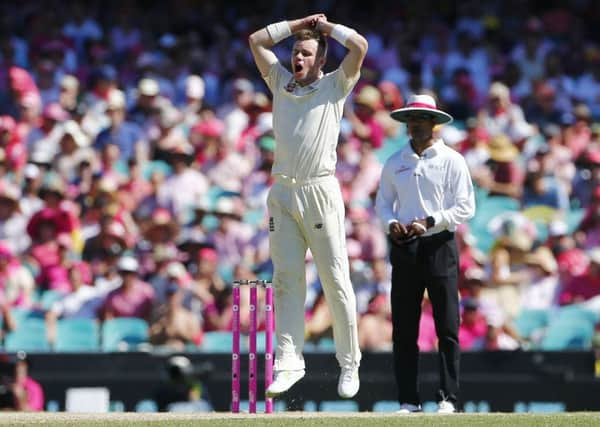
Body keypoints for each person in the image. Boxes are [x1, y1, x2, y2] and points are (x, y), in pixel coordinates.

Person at [248, 13, 367, 399]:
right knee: (285, 281)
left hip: (320, 192)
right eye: (296, 52)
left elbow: (360, 47)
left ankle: (349, 365)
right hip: (282, 192)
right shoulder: (280, 82)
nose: (298, 59)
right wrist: (298, 23)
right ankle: (288, 363)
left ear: (321, 60)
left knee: (334, 281)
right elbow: (256, 41)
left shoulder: (336, 85)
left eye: (306, 54)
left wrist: (326, 29)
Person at [375, 94, 476, 413]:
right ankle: (408, 400)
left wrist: (431, 221)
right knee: (404, 328)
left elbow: (465, 207)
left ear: (434, 123)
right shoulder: (395, 162)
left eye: (421, 118)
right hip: (405, 247)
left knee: (447, 326)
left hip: (439, 245)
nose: (415, 124)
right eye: (411, 118)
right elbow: (382, 203)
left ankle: (448, 398)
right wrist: (391, 223)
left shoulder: (451, 160)